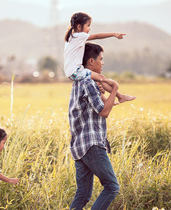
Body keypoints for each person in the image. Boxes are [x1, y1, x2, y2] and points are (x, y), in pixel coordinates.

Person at [69, 42, 120, 210]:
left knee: (83, 195)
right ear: (91, 62)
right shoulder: (89, 82)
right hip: (91, 144)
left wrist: (108, 95)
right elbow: (104, 112)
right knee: (112, 186)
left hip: (78, 146)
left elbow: (104, 107)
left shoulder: (77, 82)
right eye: (101, 59)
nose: (102, 63)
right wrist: (115, 89)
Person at [64, 12, 135, 103]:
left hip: (71, 72)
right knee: (101, 77)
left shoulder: (71, 38)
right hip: (76, 71)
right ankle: (119, 96)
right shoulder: (79, 36)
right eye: (88, 25)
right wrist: (114, 34)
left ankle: (107, 99)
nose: (90, 28)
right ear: (79, 27)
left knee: (98, 80)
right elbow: (97, 36)